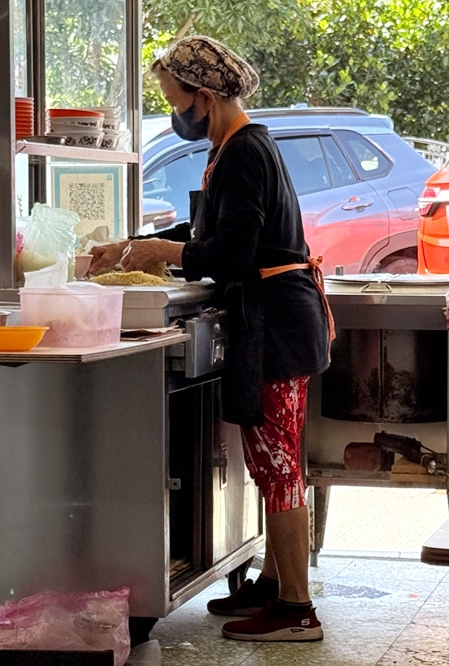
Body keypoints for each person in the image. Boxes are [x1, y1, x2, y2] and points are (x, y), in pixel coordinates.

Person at [91, 35, 332, 642]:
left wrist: (165, 252)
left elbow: (231, 253)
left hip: (276, 323)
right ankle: (276, 586)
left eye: (174, 98)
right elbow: (208, 226)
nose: (174, 113)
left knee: (276, 463)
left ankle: (297, 610)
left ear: (203, 95)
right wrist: (133, 245)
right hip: (277, 320)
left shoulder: (246, 150)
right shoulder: (234, 147)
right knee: (274, 460)